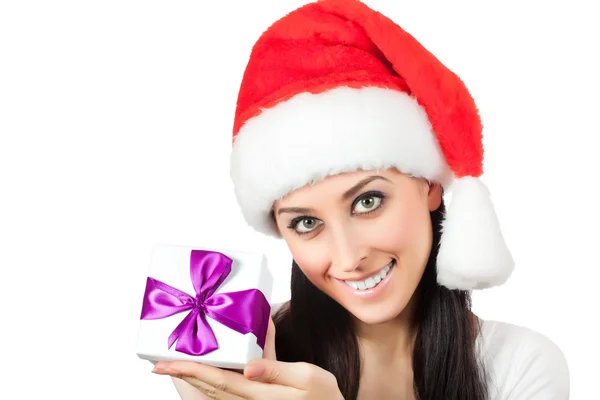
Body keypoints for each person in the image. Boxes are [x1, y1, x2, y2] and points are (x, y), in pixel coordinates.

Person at [151, 0, 570, 398]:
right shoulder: (241, 356)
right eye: (306, 223)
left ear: (430, 185)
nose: (349, 257)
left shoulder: (519, 365)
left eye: (367, 202)